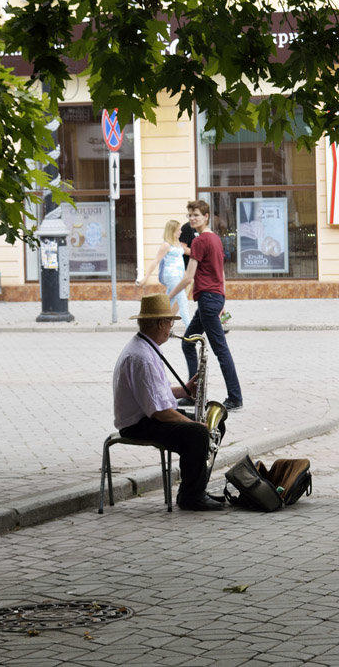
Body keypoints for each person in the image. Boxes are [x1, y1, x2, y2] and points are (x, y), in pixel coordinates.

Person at [113, 294, 223, 511]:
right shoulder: (141, 357)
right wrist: (193, 424)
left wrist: (184, 390)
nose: (171, 328)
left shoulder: (146, 348)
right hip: (138, 425)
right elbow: (159, 412)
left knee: (216, 423)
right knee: (198, 433)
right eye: (170, 322)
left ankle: (196, 488)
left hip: (148, 417)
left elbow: (155, 394)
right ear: (160, 323)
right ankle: (191, 497)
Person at [166, 200, 243, 411]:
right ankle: (192, 393)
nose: (192, 219)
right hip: (213, 298)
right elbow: (221, 273)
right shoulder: (216, 240)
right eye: (190, 215)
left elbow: (188, 277)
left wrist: (168, 297)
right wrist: (222, 300)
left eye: (196, 215)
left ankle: (235, 398)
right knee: (188, 343)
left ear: (206, 216)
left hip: (208, 300)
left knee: (221, 350)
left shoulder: (200, 242)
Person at [138, 218, 191, 326]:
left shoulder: (177, 243)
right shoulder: (166, 245)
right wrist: (146, 277)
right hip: (171, 276)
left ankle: (159, 325)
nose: (181, 232)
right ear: (172, 231)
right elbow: (155, 261)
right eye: (178, 230)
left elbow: (186, 254)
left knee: (168, 302)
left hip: (178, 276)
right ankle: (191, 330)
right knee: (183, 302)